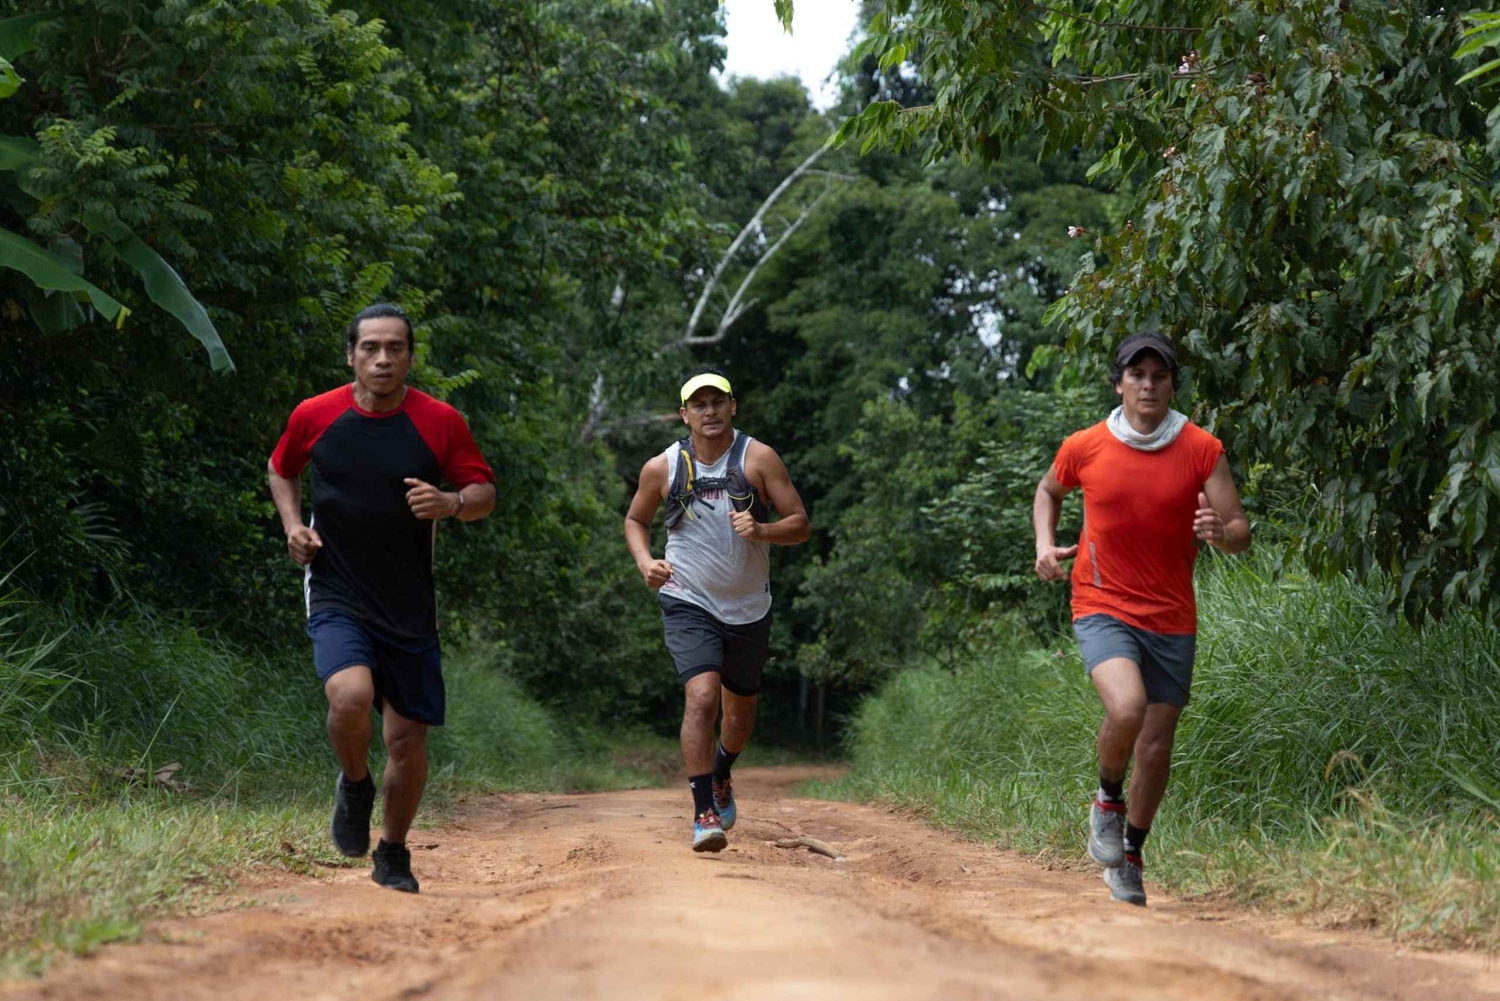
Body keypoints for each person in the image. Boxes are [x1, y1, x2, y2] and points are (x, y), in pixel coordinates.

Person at [267, 303, 496, 894]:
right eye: (370, 347)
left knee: (407, 738)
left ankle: (393, 853)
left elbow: (483, 492)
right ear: (351, 356)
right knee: (349, 695)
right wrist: (294, 525)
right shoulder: (315, 415)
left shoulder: (439, 421)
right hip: (337, 585)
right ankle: (354, 783)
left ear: (410, 357)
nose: (383, 358)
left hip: (409, 601)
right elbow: (280, 468)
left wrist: (451, 504)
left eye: (395, 348)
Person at [1032, 331, 1250, 906]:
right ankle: (1107, 798)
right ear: (1120, 383)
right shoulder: (1087, 445)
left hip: (1172, 615)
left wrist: (1219, 534)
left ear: (1172, 385)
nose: (1148, 385)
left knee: (1155, 746)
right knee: (1126, 706)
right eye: (1137, 375)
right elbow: (1048, 490)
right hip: (1101, 602)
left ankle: (1131, 856)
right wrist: (1044, 543)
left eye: (1159, 376)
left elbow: (1239, 532)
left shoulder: (1201, 448)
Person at [624, 370, 810, 852]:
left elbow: (801, 524)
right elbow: (635, 519)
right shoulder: (662, 467)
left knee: (740, 717)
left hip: (749, 607)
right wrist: (645, 562)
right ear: (684, 414)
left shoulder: (759, 458)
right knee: (702, 697)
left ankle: (722, 773)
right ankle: (703, 811)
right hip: (688, 598)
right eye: (698, 404)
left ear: (733, 407)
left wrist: (764, 531)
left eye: (717, 402)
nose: (709, 411)